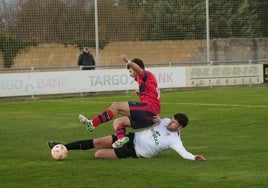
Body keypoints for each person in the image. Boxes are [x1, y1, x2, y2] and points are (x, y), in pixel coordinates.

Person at [79, 54, 161, 148]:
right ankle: (121, 138)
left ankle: (92, 123)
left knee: (116, 106)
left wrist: (128, 61)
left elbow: (139, 70)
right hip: (151, 117)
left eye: (130, 71)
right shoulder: (145, 80)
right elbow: (153, 94)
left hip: (148, 110)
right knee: (118, 122)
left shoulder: (145, 75)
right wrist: (141, 92)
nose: (129, 74)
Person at [48, 113, 206, 161]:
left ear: (180, 127)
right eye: (171, 120)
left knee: (98, 154)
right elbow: (154, 115)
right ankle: (62, 146)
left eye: (174, 123)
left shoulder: (175, 141)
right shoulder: (164, 122)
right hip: (130, 138)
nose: (170, 123)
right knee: (98, 142)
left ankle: (64, 148)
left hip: (134, 152)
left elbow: (184, 153)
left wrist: (195, 157)